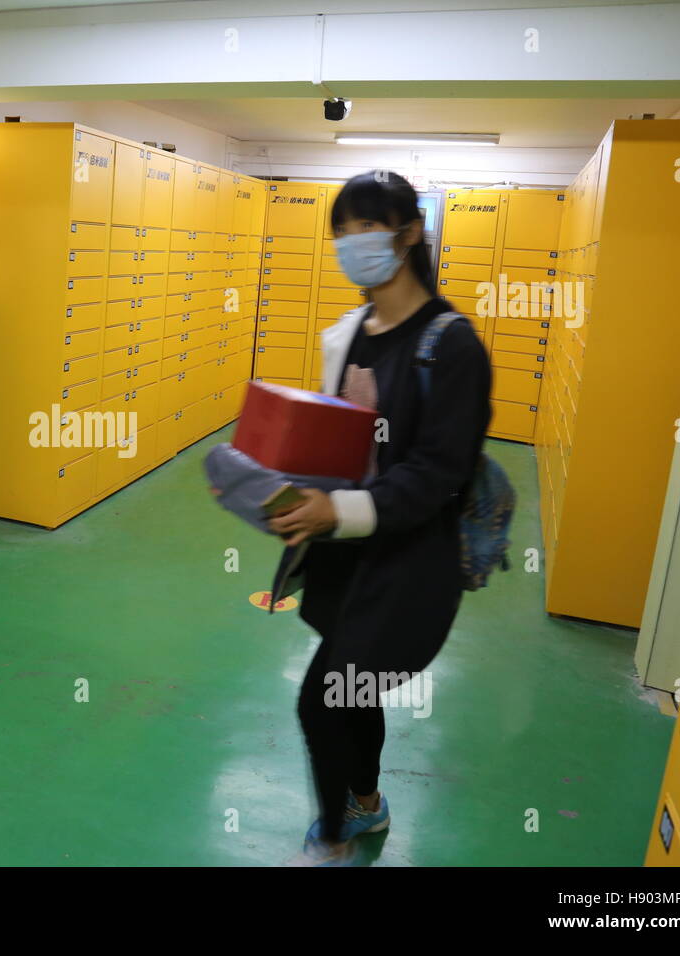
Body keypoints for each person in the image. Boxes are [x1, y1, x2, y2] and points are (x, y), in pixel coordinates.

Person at [266, 170, 492, 865]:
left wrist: (345, 506)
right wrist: (293, 487)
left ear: (410, 231)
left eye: (369, 226)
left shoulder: (452, 346)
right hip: (344, 557)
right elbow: (344, 441)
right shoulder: (351, 333)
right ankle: (366, 802)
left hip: (407, 565)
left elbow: (436, 474)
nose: (353, 243)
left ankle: (332, 835)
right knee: (352, 688)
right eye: (343, 230)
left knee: (320, 698)